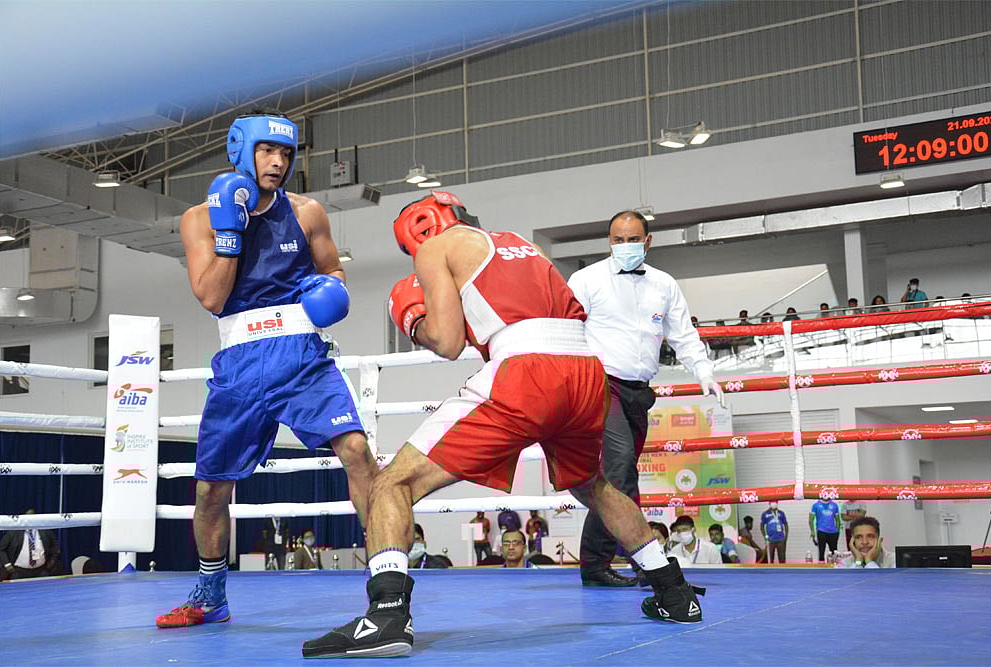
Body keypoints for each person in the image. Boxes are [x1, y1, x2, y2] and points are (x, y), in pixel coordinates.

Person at [301, 192, 705, 658]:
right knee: (593, 485)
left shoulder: (438, 247)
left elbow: (449, 343)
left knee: (392, 482)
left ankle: (387, 615)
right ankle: (674, 593)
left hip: (528, 369)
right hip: (587, 370)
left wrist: (414, 321)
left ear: (418, 232)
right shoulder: (516, 243)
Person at [157, 111, 380, 629]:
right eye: (267, 152)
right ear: (240, 150)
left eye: (286, 154)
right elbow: (212, 296)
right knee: (212, 488)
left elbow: (333, 273)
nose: (278, 162)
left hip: (302, 353)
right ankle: (211, 596)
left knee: (357, 451)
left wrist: (331, 295)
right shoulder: (199, 219)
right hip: (239, 362)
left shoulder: (307, 213)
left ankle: (385, 582)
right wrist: (231, 234)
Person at [566, 210, 723, 587]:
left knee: (617, 477)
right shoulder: (585, 280)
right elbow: (565, 328)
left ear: (647, 241)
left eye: (632, 239)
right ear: (609, 242)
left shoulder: (664, 284)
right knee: (620, 473)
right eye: (618, 240)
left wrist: (704, 372)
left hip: (639, 391)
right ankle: (645, 559)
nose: (625, 246)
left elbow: (683, 334)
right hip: (599, 384)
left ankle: (594, 562)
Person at [0, 509, 61, 581]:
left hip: (41, 571)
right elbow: (1, 549)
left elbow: (55, 546)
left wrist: (52, 561)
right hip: (18, 571)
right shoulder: (13, 532)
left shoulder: (45, 530)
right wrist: (7, 565)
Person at [810, 496, 842, 561]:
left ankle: (834, 568)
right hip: (821, 531)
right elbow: (811, 519)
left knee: (834, 553)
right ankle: (821, 570)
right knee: (821, 553)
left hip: (833, 532)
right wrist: (813, 531)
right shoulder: (816, 505)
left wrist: (837, 531)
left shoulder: (834, 505)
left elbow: (838, 520)